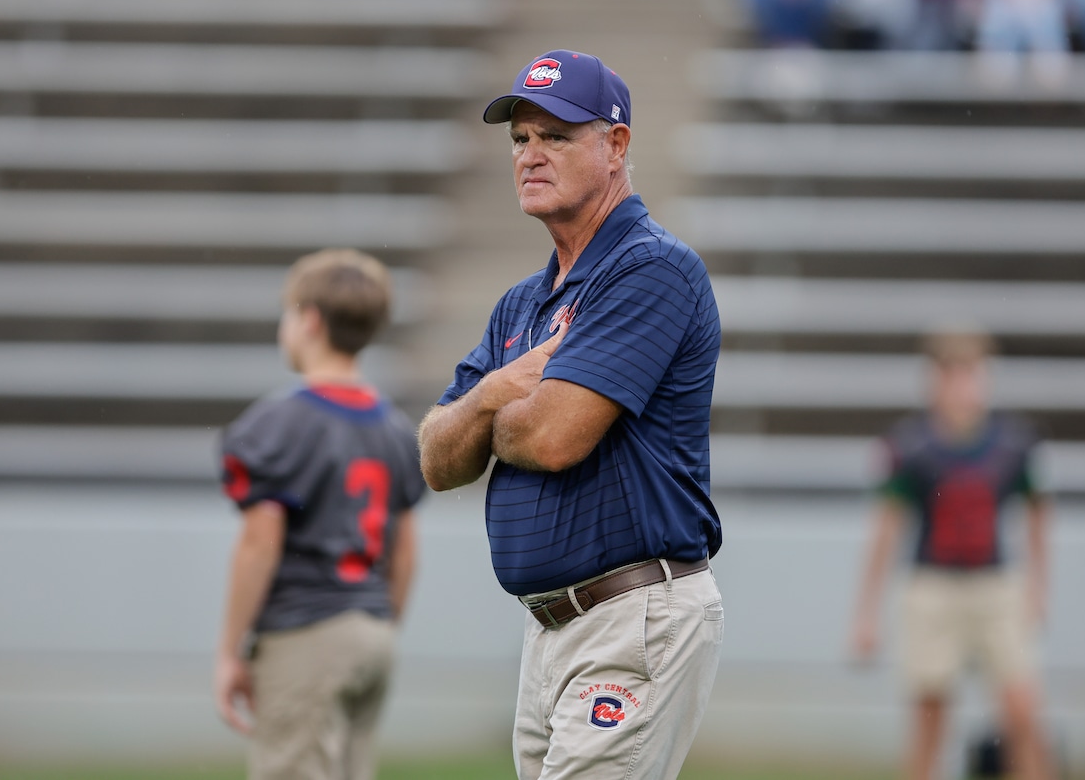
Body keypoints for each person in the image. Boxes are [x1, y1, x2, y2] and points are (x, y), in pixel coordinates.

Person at [417, 49, 725, 780]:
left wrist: (485, 414)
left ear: (616, 145)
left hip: (633, 613)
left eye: (556, 135)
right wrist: (497, 391)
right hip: (552, 626)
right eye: (521, 138)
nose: (530, 154)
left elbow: (554, 435)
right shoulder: (522, 303)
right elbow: (434, 457)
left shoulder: (652, 267)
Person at [213, 248, 426, 780]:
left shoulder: (278, 425)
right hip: (373, 631)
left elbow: (259, 543)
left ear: (308, 320)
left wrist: (229, 651)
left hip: (305, 628)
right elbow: (404, 550)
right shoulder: (397, 428)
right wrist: (379, 621)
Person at [851, 328, 1054, 780]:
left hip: (995, 584)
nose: (964, 387)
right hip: (933, 585)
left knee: (1023, 712)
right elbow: (886, 529)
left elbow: (1040, 513)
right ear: (935, 381)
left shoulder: (1015, 441)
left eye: (972, 374)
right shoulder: (909, 445)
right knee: (929, 719)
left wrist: (1039, 587)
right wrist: (866, 614)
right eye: (953, 376)